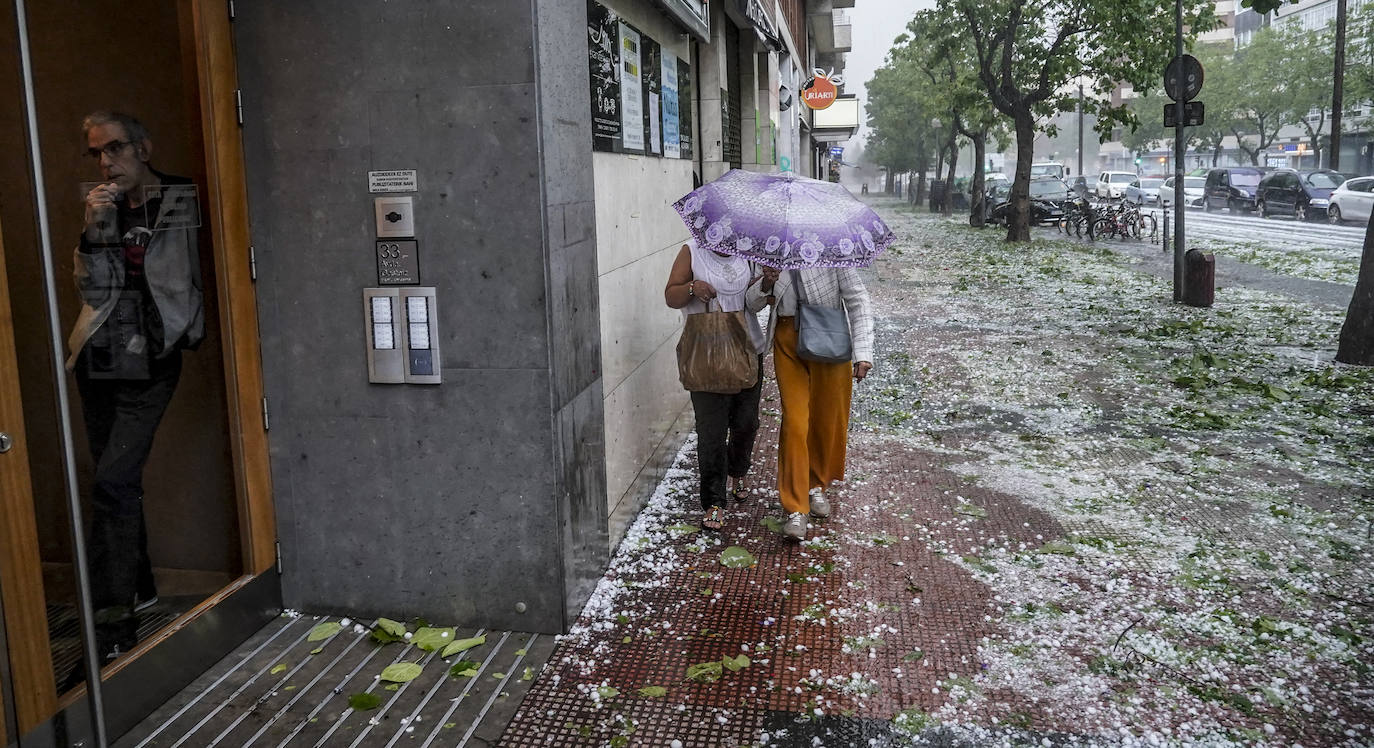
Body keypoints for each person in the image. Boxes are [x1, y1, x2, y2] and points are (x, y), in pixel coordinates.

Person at [67, 111, 204, 662]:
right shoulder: (102, 205)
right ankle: (140, 587)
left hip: (152, 360)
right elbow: (91, 290)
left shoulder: (179, 198)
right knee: (113, 485)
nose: (106, 162)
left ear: (143, 147)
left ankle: (112, 626)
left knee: (114, 483)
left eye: (116, 148)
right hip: (99, 359)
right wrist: (94, 226)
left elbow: (194, 268)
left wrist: (190, 324)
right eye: (97, 153)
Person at [747, 266, 873, 541]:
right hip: (787, 341)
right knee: (794, 421)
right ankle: (795, 507)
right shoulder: (771, 248)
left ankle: (816, 484)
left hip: (828, 334)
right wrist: (766, 282)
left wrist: (863, 352)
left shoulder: (832, 250)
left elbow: (857, 299)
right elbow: (751, 303)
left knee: (826, 419)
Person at [665, 241, 767, 531]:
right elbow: (671, 296)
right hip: (706, 356)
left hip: (748, 351)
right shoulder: (692, 251)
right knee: (711, 432)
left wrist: (767, 284)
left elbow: (755, 303)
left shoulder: (748, 253)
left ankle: (738, 470)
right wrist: (691, 288)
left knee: (747, 423)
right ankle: (713, 502)